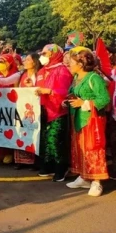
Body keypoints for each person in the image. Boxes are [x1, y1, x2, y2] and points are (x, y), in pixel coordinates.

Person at [66, 48, 110, 196]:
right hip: (79, 119)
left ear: (81, 63)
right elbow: (75, 95)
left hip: (93, 120)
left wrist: (83, 103)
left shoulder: (94, 78)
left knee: (93, 149)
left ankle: (97, 181)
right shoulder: (76, 78)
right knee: (81, 149)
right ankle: (84, 177)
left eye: (71, 63)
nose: (69, 65)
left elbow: (104, 99)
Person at [36, 44, 73, 181]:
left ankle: (61, 168)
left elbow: (65, 92)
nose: (42, 57)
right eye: (42, 54)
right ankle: (48, 166)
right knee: (45, 140)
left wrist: (50, 92)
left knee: (55, 140)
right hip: (44, 110)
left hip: (58, 112)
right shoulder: (41, 71)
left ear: (54, 54)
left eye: (45, 54)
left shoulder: (62, 71)